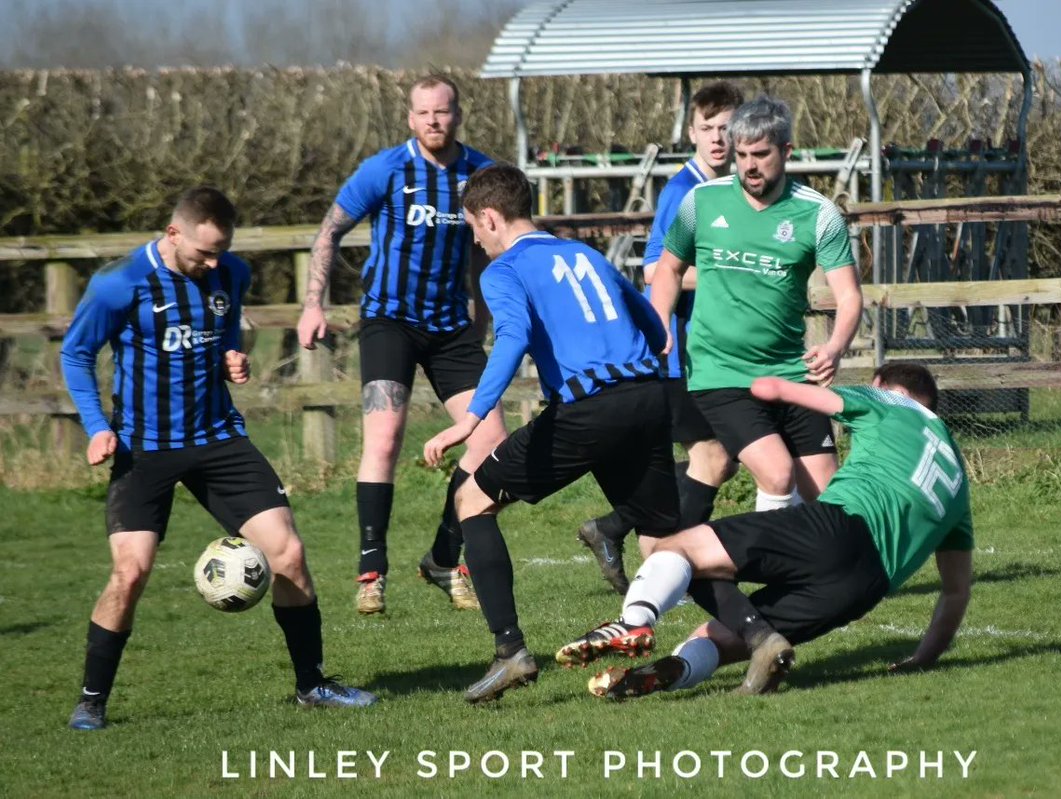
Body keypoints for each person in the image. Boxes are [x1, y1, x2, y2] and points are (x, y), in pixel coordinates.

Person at [61, 187, 376, 731]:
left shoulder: (232, 272)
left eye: (221, 251)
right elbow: (76, 353)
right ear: (173, 233)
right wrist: (96, 428)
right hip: (144, 446)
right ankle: (91, 701)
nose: (213, 263)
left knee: (289, 554)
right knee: (130, 573)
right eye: (203, 252)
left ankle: (312, 685)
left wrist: (233, 355)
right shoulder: (120, 283)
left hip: (218, 439)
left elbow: (225, 327)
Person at [557, 362, 973, 699]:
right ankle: (674, 669)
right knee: (722, 636)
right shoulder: (958, 479)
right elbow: (956, 592)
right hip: (863, 589)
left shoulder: (888, 402)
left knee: (675, 549)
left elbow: (778, 389)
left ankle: (634, 621)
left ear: (884, 386)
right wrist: (922, 659)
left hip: (837, 528)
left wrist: (752, 377)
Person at [422, 164, 680, 704]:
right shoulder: (584, 253)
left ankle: (510, 651)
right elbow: (651, 321)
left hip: (590, 410)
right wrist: (645, 344)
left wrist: (471, 419)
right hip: (650, 395)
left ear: (490, 217)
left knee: (472, 501)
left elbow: (512, 337)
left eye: (473, 228)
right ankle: (756, 632)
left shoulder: (504, 269)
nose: (475, 241)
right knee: (666, 537)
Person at [296, 74, 507, 614]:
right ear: (410, 118)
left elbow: (485, 251)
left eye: (443, 111)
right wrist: (313, 304)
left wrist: (484, 317)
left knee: (491, 442)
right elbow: (329, 231)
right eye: (424, 112)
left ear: (458, 114)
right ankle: (372, 571)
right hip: (389, 321)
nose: (434, 120)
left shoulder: (479, 174)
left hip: (451, 328)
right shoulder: (385, 169)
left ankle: (444, 557)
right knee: (385, 439)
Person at [650, 95, 864, 513]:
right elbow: (668, 269)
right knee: (777, 473)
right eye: (742, 154)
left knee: (828, 498)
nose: (749, 165)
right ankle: (767, 552)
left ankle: (811, 561)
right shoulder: (701, 201)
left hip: (791, 372)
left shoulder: (818, 214)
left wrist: (835, 347)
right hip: (720, 371)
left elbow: (850, 295)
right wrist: (659, 321)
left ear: (786, 151)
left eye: (761, 155)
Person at [578, 81, 743, 596]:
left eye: (726, 128)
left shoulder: (734, 188)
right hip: (680, 350)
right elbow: (656, 269)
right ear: (691, 132)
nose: (717, 138)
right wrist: (730, 271)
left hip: (714, 348)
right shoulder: (684, 191)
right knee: (716, 457)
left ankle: (618, 528)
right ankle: (672, 566)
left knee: (726, 455)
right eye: (707, 128)